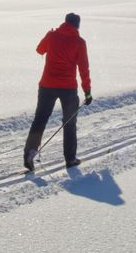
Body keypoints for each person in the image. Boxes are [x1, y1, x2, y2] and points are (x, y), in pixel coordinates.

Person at [23, 12, 92, 172]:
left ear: (65, 22)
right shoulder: (80, 42)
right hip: (68, 88)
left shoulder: (52, 35)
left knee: (40, 120)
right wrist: (87, 91)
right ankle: (70, 159)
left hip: (47, 85)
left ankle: (30, 152)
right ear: (77, 25)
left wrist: (50, 36)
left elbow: (39, 50)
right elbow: (83, 68)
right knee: (69, 123)